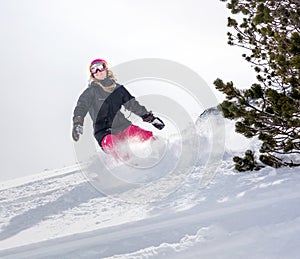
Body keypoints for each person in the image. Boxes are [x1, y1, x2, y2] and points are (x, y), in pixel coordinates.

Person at [72, 58, 165, 156]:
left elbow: (132, 105)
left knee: (146, 136)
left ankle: (162, 154)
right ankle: (129, 166)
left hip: (123, 126)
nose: (98, 71)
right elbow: (81, 106)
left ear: (106, 69)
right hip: (104, 132)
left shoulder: (118, 89)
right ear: (92, 74)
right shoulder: (90, 92)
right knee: (114, 146)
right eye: (94, 69)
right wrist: (78, 122)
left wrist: (150, 118)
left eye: (100, 67)